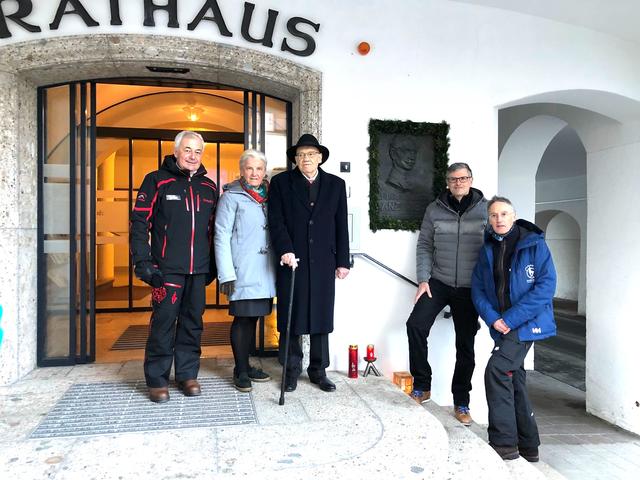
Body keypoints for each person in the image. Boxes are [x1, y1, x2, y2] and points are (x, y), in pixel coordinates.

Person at [130, 130, 217, 403]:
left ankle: (187, 374)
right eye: (188, 150)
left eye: (198, 151)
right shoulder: (156, 181)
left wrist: (213, 265)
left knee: (193, 323)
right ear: (176, 151)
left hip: (198, 269)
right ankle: (157, 379)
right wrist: (142, 261)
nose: (193, 156)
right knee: (164, 323)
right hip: (166, 270)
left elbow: (214, 230)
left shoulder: (209, 187)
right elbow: (139, 223)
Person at [471, 196, 557, 462]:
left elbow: (545, 287)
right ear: (489, 219)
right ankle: (528, 446)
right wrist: (493, 318)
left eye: (504, 214)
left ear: (513, 215)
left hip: (527, 324)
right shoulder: (487, 247)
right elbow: (479, 288)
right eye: (494, 215)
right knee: (514, 378)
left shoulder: (534, 245)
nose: (499, 220)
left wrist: (509, 319)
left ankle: (504, 442)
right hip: (502, 325)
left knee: (496, 370)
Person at [406, 162, 487, 425]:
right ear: (447, 183)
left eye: (463, 178)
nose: (458, 182)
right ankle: (422, 384)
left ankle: (461, 402)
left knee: (466, 345)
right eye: (453, 179)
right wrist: (423, 280)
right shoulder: (434, 209)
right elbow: (424, 246)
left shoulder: (486, 210)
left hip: (469, 287)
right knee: (415, 325)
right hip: (438, 282)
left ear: (471, 180)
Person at [268, 133, 350, 393]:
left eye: (311, 154)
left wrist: (343, 261)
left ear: (320, 157)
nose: (306, 158)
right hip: (292, 259)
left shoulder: (336, 184)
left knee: (321, 315)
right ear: (295, 158)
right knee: (292, 316)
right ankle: (291, 370)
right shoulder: (281, 183)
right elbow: (276, 220)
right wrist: (285, 250)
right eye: (301, 154)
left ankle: (318, 370)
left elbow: (341, 225)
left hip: (325, 261)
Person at [214, 149, 276, 392]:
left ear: (264, 171)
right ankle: (240, 370)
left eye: (259, 169)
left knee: (254, 318)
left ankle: (246, 364)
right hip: (242, 270)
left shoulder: (271, 195)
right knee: (242, 318)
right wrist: (226, 273)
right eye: (249, 168)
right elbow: (221, 235)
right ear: (241, 171)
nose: (254, 173)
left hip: (266, 270)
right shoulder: (231, 197)